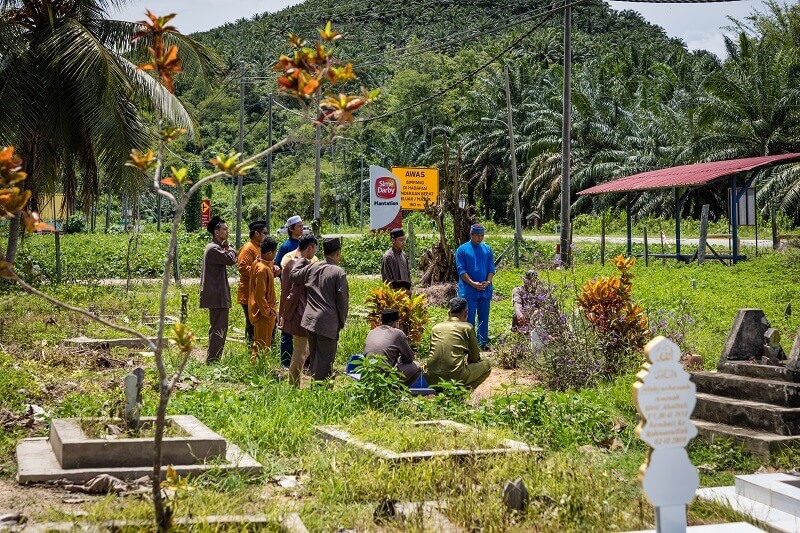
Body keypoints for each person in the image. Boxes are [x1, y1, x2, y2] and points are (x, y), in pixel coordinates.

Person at [290, 237, 349, 381]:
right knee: (325, 361)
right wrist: (341, 322)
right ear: (338, 252)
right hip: (327, 323)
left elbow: (293, 276)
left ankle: (315, 390)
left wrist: (301, 259)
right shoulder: (338, 272)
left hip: (310, 321)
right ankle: (320, 393)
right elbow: (343, 301)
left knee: (315, 357)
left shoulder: (313, 267)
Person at [425, 297, 491, 389]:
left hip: (431, 377)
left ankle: (440, 392)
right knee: (486, 365)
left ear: (449, 313)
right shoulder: (467, 328)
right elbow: (474, 358)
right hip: (454, 377)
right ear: (465, 313)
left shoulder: (435, 328)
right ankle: (462, 392)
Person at [280, 234, 318, 386]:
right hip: (300, 313)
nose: (315, 252)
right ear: (309, 249)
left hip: (294, 313)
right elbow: (294, 294)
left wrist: (283, 313)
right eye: (314, 248)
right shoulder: (302, 266)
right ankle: (293, 383)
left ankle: (294, 381)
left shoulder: (290, 263)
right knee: (300, 351)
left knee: (303, 349)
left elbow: (284, 291)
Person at [199, 216, 237, 364]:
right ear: (216, 232)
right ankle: (213, 360)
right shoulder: (213, 248)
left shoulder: (216, 247)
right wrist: (231, 247)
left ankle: (213, 357)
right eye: (224, 229)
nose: (227, 232)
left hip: (217, 293)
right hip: (217, 295)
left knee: (217, 327)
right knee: (219, 328)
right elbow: (231, 259)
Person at [455, 223, 495, 349]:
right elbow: (461, 271)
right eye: (477, 235)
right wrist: (473, 284)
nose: (480, 238)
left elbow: (491, 269)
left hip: (484, 289)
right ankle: (470, 344)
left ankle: (482, 343)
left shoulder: (487, 249)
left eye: (482, 235)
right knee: (469, 318)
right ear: (471, 234)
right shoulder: (462, 250)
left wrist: (487, 282)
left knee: (484, 317)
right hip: (469, 290)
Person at [363, 309, 421, 387]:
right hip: (384, 378)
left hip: (368, 375)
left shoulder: (371, 332)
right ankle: (397, 392)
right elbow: (409, 359)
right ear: (396, 323)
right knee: (417, 367)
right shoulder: (397, 333)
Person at [276, 215, 304, 367]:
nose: (301, 228)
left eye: (302, 226)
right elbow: (278, 268)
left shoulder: (302, 244)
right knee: (286, 325)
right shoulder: (286, 247)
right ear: (291, 229)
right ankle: (286, 360)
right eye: (298, 226)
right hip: (289, 291)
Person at [248, 237, 278, 363]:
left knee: (261, 343)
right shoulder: (262, 269)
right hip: (263, 314)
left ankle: (258, 367)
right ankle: (257, 369)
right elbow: (260, 295)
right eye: (275, 252)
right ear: (270, 253)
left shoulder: (259, 263)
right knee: (262, 345)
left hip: (263, 311)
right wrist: (268, 312)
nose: (275, 255)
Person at [237, 220, 267, 344]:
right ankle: (250, 348)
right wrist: (260, 272)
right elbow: (242, 267)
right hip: (248, 291)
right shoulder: (248, 248)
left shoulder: (259, 247)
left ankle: (258, 345)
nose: (266, 235)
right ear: (256, 234)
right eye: (264, 233)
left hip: (257, 291)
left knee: (258, 320)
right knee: (251, 321)